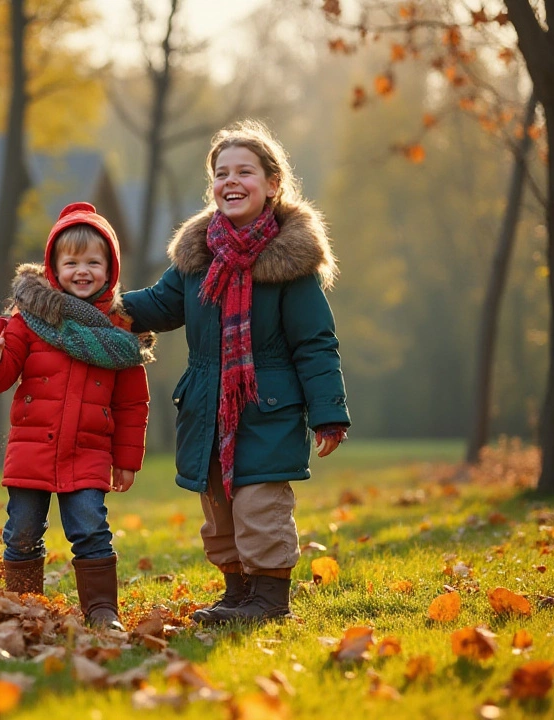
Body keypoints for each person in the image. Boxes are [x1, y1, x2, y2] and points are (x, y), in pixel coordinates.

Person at [120, 120, 350, 625]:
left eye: (244, 171)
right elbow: (159, 305)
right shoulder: (197, 258)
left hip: (267, 406)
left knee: (260, 508)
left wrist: (328, 413)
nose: (231, 181)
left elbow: (315, 343)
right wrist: (98, 303)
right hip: (207, 406)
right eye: (221, 172)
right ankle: (237, 595)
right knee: (219, 512)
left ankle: (269, 601)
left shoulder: (290, 264)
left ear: (272, 184)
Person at [0, 202, 150, 629]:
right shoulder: (28, 322)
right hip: (31, 451)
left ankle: (102, 611)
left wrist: (126, 460)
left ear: (110, 269)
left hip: (87, 452)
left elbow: (131, 404)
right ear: (53, 268)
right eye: (71, 262)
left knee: (90, 529)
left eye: (93, 262)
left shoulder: (118, 335)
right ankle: (23, 609)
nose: (82, 271)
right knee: (23, 532)